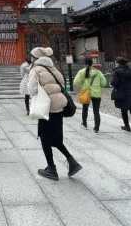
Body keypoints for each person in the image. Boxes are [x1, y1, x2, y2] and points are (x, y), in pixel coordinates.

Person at [28, 47, 82, 180]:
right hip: (59, 107)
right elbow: (62, 83)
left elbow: (32, 89)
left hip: (46, 107)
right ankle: (72, 162)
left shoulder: (35, 69)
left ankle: (51, 168)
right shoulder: (53, 69)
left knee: (44, 137)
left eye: (32, 56)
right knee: (56, 138)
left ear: (35, 57)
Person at [111, 57, 131, 139]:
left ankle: (127, 126)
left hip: (122, 94)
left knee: (123, 110)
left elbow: (114, 83)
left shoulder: (117, 72)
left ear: (118, 63)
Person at [74, 58, 107, 133]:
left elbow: (76, 82)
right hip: (96, 93)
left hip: (86, 93)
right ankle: (96, 127)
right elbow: (104, 83)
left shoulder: (82, 72)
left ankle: (84, 123)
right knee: (96, 111)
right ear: (92, 63)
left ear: (85, 64)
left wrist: (82, 85)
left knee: (85, 108)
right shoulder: (98, 72)